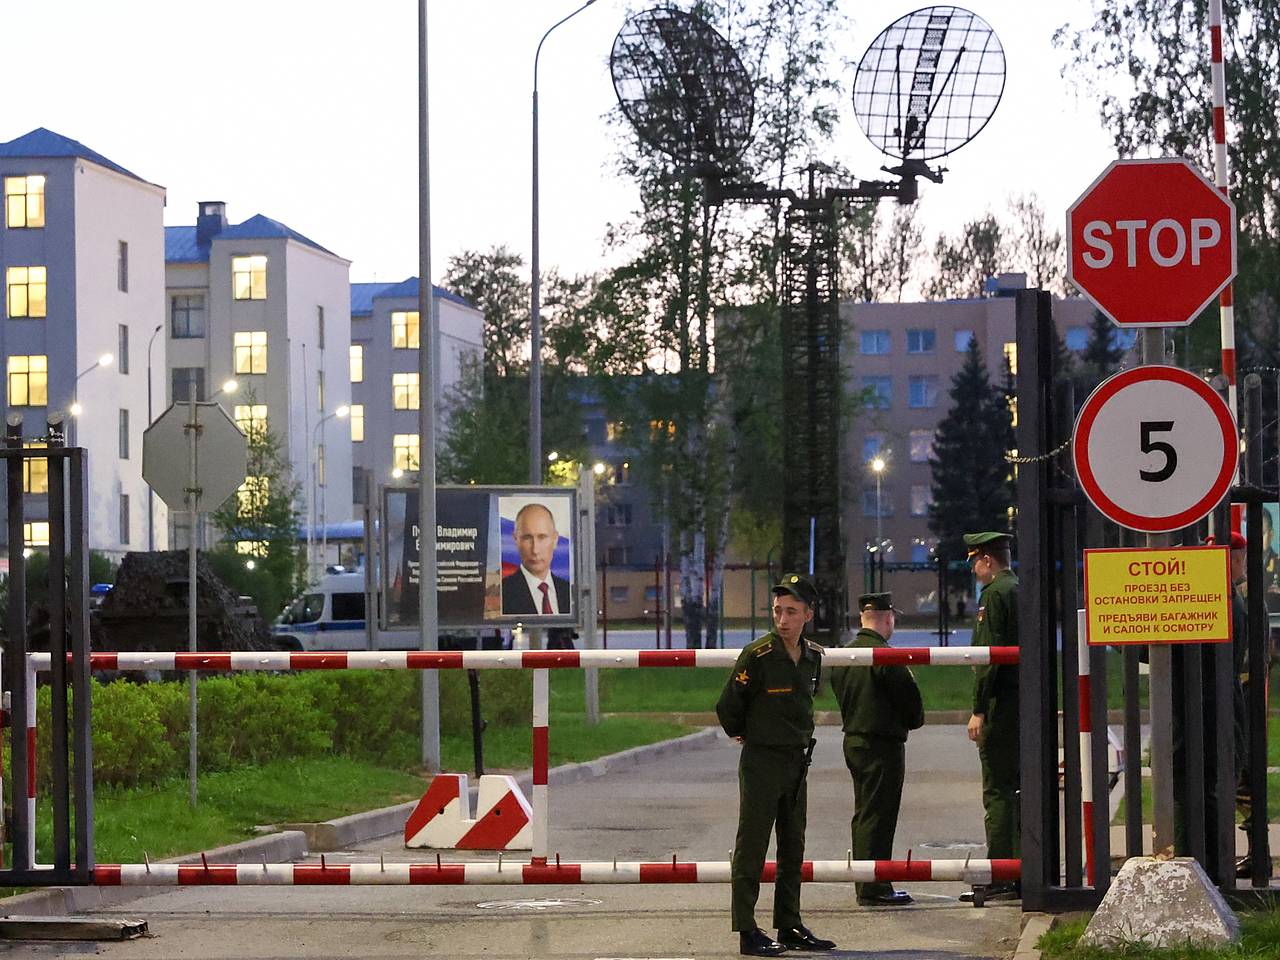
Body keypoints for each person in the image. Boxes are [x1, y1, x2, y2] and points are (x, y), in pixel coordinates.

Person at [716, 573, 836, 957]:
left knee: (793, 845)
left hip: (797, 760)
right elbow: (728, 704)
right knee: (752, 844)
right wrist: (744, 732)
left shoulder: (813, 655)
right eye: (777, 611)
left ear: (808, 615)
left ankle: (790, 923)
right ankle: (748, 930)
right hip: (762, 761)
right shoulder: (759, 655)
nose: (782, 620)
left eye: (791, 612)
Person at [830, 592, 924, 907]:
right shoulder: (886, 657)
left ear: (862, 619)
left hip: (853, 739)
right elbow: (913, 707)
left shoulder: (844, 657)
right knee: (879, 816)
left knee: (864, 813)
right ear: (887, 619)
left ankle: (866, 878)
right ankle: (874, 885)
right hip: (883, 744)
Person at [962, 531, 1020, 902]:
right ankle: (1021, 866)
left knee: (998, 790)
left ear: (987, 559)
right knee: (1018, 788)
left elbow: (989, 658)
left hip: (1001, 704)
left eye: (975, 562)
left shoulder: (995, 594)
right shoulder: (1018, 587)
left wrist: (978, 709)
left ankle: (1001, 870)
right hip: (1022, 703)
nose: (975, 570)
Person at [501, 503, 571, 615]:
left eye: (542, 537)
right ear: (516, 540)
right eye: (527, 538)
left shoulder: (569, 592)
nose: (535, 550)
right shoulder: (502, 594)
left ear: (555, 540)